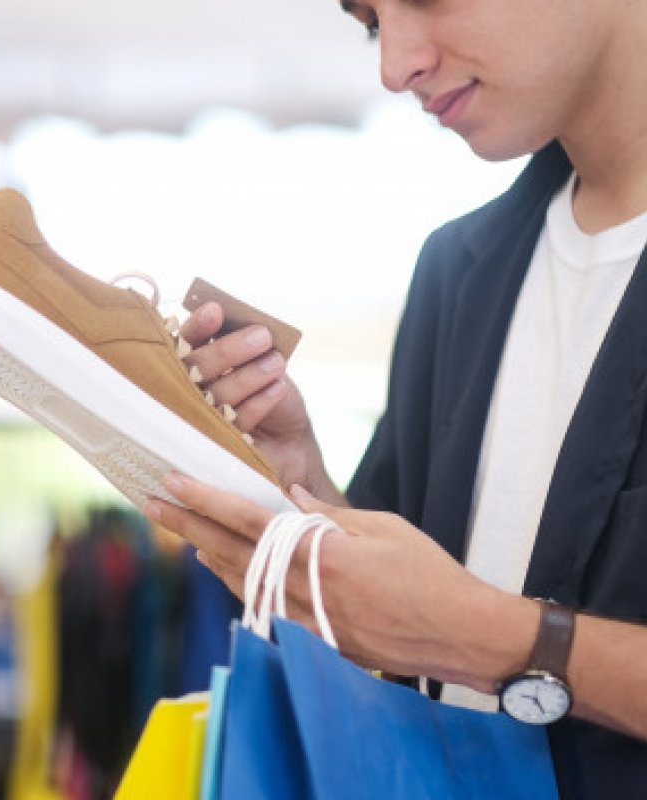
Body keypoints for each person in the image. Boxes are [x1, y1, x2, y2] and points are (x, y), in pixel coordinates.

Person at [148, 1, 647, 797]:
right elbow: (399, 633)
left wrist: (485, 638)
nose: (395, 66)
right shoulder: (457, 273)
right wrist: (300, 485)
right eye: (372, 23)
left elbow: (443, 625)